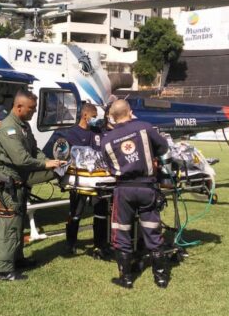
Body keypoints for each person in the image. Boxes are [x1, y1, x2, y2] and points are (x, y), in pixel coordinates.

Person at [0, 89, 63, 281]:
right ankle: (3, 270)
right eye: (31, 109)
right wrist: (45, 164)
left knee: (18, 223)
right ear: (18, 107)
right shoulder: (8, 129)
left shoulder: (23, 126)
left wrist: (49, 160)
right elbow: (21, 159)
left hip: (20, 183)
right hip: (10, 184)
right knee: (9, 225)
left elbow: (34, 150)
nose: (34, 112)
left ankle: (17, 259)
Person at [101, 99, 170, 289]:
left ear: (112, 117)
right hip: (148, 187)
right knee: (153, 230)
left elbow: (108, 167)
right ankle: (161, 278)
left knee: (121, 232)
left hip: (123, 190)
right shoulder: (145, 128)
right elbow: (163, 148)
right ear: (130, 112)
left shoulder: (107, 139)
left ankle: (126, 278)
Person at [46, 103, 110, 259]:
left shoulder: (98, 133)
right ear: (85, 116)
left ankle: (99, 245)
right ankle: (71, 243)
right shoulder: (70, 134)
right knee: (75, 213)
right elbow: (62, 156)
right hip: (79, 179)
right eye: (94, 117)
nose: (96, 120)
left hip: (97, 179)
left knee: (101, 213)